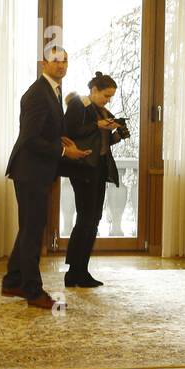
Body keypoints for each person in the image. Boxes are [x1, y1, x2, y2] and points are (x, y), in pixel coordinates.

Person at [1, 47, 89, 308]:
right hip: (30, 172)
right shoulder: (38, 93)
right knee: (32, 232)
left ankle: (13, 282)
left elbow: (44, 130)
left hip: (37, 171)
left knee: (30, 228)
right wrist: (64, 151)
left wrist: (61, 139)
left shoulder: (53, 89)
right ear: (43, 64)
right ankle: (33, 291)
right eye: (55, 61)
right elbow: (30, 139)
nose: (61, 66)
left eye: (65, 61)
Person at [63, 72, 129, 288]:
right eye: (106, 95)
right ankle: (75, 271)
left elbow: (102, 141)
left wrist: (118, 133)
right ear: (93, 91)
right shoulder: (77, 104)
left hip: (98, 168)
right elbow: (70, 131)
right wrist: (98, 125)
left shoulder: (100, 111)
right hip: (83, 168)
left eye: (110, 97)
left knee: (93, 219)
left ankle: (81, 269)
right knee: (86, 218)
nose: (108, 100)